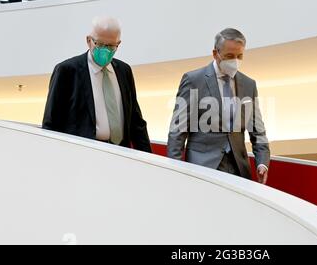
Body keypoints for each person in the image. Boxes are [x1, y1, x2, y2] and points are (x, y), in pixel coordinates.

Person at [167, 28, 270, 184]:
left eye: (239, 56)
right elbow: (178, 130)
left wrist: (262, 162)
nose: (235, 61)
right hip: (201, 167)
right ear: (215, 54)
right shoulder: (194, 80)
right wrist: (175, 170)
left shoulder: (249, 84)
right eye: (229, 56)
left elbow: (258, 130)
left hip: (238, 170)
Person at [42, 16, 152, 153]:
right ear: (89, 41)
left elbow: (135, 120)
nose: (105, 50)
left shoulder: (124, 71)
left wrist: (149, 158)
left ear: (119, 44)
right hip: (82, 155)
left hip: (121, 154)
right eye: (100, 44)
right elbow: (51, 123)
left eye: (111, 46)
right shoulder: (67, 71)